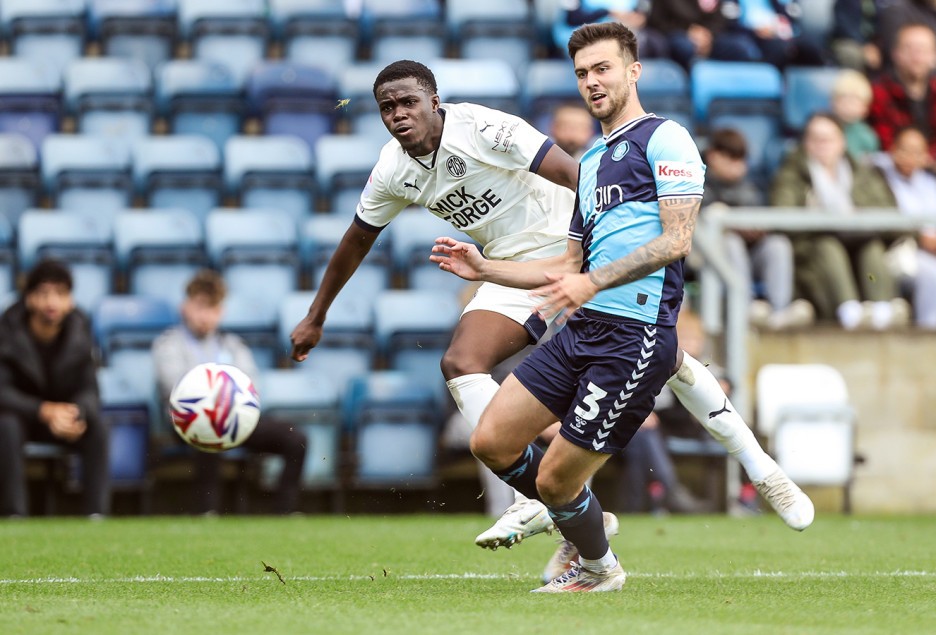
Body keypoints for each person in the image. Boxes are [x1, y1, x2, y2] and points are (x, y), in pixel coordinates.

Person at [289, 57, 813, 556]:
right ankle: (536, 502)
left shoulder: (484, 129)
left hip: (574, 250)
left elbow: (576, 175)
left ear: (434, 100)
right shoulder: (391, 171)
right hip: (507, 268)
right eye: (386, 107)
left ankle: (761, 467)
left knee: (668, 358)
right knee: (459, 362)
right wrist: (317, 315)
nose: (397, 114)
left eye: (407, 101)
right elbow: (356, 239)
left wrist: (592, 253)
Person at [430, 22, 814, 592]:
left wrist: (593, 282)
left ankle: (596, 566)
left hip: (633, 338)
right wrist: (486, 269)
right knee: (491, 441)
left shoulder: (666, 138)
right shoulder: (588, 163)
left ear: (633, 71)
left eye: (602, 68)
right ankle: (568, 518)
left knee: (559, 480)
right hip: (581, 330)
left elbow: (676, 240)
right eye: (582, 73)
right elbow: (567, 266)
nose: (592, 81)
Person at [153, 270, 306, 515]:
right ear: (185, 307)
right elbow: (173, 387)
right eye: (200, 306)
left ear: (221, 311)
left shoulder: (234, 346)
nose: (206, 316)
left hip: (235, 418)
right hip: (188, 421)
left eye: (213, 308)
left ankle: (284, 512)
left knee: (295, 438)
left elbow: (251, 386)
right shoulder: (168, 344)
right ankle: (208, 511)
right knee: (210, 429)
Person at [771, 112, 907, 330]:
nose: (822, 145)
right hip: (812, 250)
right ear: (806, 143)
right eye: (816, 139)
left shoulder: (862, 172)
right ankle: (849, 313)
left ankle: (882, 311)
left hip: (859, 242)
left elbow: (889, 212)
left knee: (871, 248)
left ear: (841, 142)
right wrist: (823, 220)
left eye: (828, 139)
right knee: (828, 246)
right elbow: (783, 215)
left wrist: (860, 216)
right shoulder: (791, 172)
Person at [0, 260, 109, 518]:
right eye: (44, 293)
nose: (52, 303)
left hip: (64, 419)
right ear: (29, 299)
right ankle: (14, 513)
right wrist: (43, 410)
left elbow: (90, 390)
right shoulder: (7, 333)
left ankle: (97, 515)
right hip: (24, 418)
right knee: (6, 426)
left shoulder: (80, 333)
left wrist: (77, 413)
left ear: (70, 301)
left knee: (99, 427)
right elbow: (2, 392)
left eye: (60, 294)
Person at [702, 127, 814, 330]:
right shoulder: (697, 182)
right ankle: (744, 309)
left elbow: (760, 220)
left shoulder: (751, 187)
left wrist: (757, 230)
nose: (737, 165)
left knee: (777, 244)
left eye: (740, 159)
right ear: (712, 155)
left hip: (750, 251)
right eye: (730, 157)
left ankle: (779, 313)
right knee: (731, 242)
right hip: (709, 258)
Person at [874, 126, 936, 329]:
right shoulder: (879, 177)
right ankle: (927, 335)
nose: (910, 157)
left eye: (917, 152)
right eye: (905, 150)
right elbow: (881, 220)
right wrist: (919, 237)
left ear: (926, 155)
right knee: (934, 277)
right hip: (905, 250)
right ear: (893, 149)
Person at [869, 23, 936, 187]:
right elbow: (885, 142)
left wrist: (934, 160)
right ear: (895, 53)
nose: (916, 56)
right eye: (909, 48)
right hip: (893, 176)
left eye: (923, 50)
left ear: (935, 56)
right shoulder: (878, 92)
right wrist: (925, 162)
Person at [831, 69, 880, 161]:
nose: (847, 104)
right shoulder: (824, 129)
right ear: (833, 102)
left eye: (854, 100)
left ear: (865, 108)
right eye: (843, 98)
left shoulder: (867, 136)